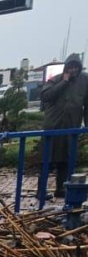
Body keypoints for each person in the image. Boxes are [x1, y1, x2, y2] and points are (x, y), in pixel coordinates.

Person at [40, 54, 88, 198]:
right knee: (47, 160)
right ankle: (41, 191)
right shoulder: (56, 80)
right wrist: (64, 82)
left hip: (71, 126)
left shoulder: (85, 80)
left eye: (76, 67)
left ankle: (61, 188)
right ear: (66, 68)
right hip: (53, 126)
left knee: (65, 160)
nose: (73, 70)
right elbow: (45, 96)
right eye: (70, 67)